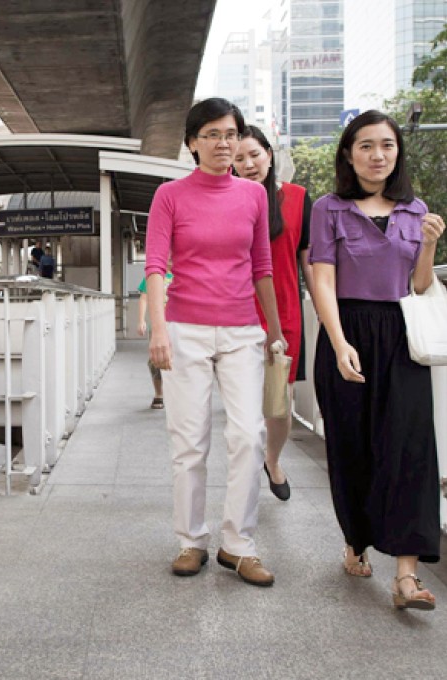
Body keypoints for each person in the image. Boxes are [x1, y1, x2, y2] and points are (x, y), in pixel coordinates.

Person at [146, 97, 284, 587]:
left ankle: (238, 545)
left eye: (230, 133)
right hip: (185, 329)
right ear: (192, 143)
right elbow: (156, 264)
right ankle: (191, 541)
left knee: (249, 435)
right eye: (211, 135)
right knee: (190, 441)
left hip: (243, 329)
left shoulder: (252, 196)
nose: (223, 143)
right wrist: (158, 330)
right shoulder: (170, 195)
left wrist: (276, 329)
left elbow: (261, 267)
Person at [310, 110, 444, 608]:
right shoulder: (329, 208)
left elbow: (420, 286)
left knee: (410, 448)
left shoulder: (416, 210)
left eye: (386, 145)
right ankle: (356, 540)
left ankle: (406, 576)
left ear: (397, 152)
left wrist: (429, 245)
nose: (377, 155)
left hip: (401, 335)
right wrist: (339, 340)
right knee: (353, 445)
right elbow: (323, 277)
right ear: (349, 153)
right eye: (366, 145)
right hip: (347, 330)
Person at [232, 125, 315, 502]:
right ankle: (245, 479)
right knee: (244, 412)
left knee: (279, 407)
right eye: (239, 158)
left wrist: (332, 318)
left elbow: (309, 265)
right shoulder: (227, 200)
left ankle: (273, 458)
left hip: (285, 318)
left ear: (269, 153)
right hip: (236, 315)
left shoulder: (297, 199)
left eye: (255, 155)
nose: (249, 164)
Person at [136, 271, 173, 409]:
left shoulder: (184, 270)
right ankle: (159, 394)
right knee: (156, 359)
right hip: (159, 325)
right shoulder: (153, 274)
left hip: (180, 323)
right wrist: (141, 320)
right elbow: (144, 298)